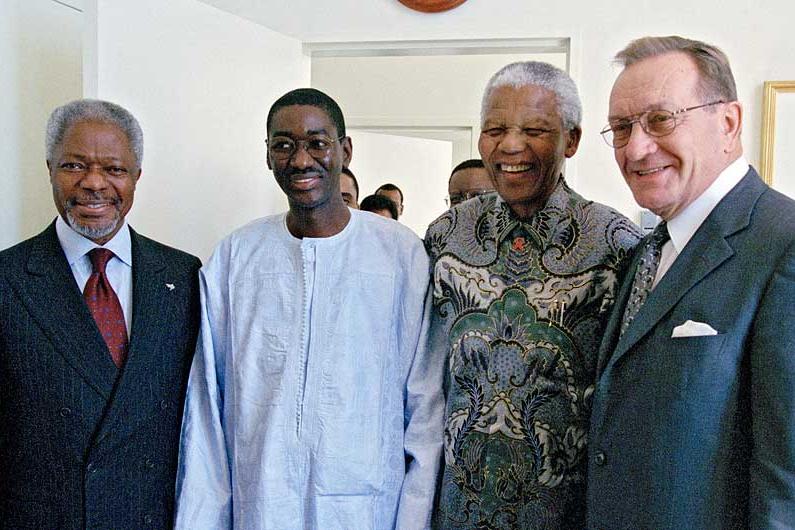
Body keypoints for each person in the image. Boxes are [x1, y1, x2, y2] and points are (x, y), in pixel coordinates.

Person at [174, 88, 443, 530]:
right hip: (262, 508)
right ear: (267, 155)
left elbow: (425, 408)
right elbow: (207, 411)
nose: (300, 160)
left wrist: (413, 520)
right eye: (284, 145)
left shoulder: (399, 255)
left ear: (345, 150)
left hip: (367, 511)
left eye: (317, 143)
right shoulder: (236, 257)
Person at [587, 35, 795, 529]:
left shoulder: (783, 244)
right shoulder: (647, 250)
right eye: (621, 128)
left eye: (661, 119)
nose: (636, 148)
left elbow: (787, 481)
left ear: (728, 123)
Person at [425, 61, 641, 529]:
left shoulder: (616, 244)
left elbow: (632, 402)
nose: (510, 146)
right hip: (455, 513)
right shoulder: (446, 235)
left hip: (567, 515)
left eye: (534, 130)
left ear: (572, 140)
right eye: (495, 130)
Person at [0, 99, 201, 529]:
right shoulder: (8, 279)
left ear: (136, 176)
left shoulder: (183, 277)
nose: (94, 183)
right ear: (49, 169)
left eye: (114, 169)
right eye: (74, 166)